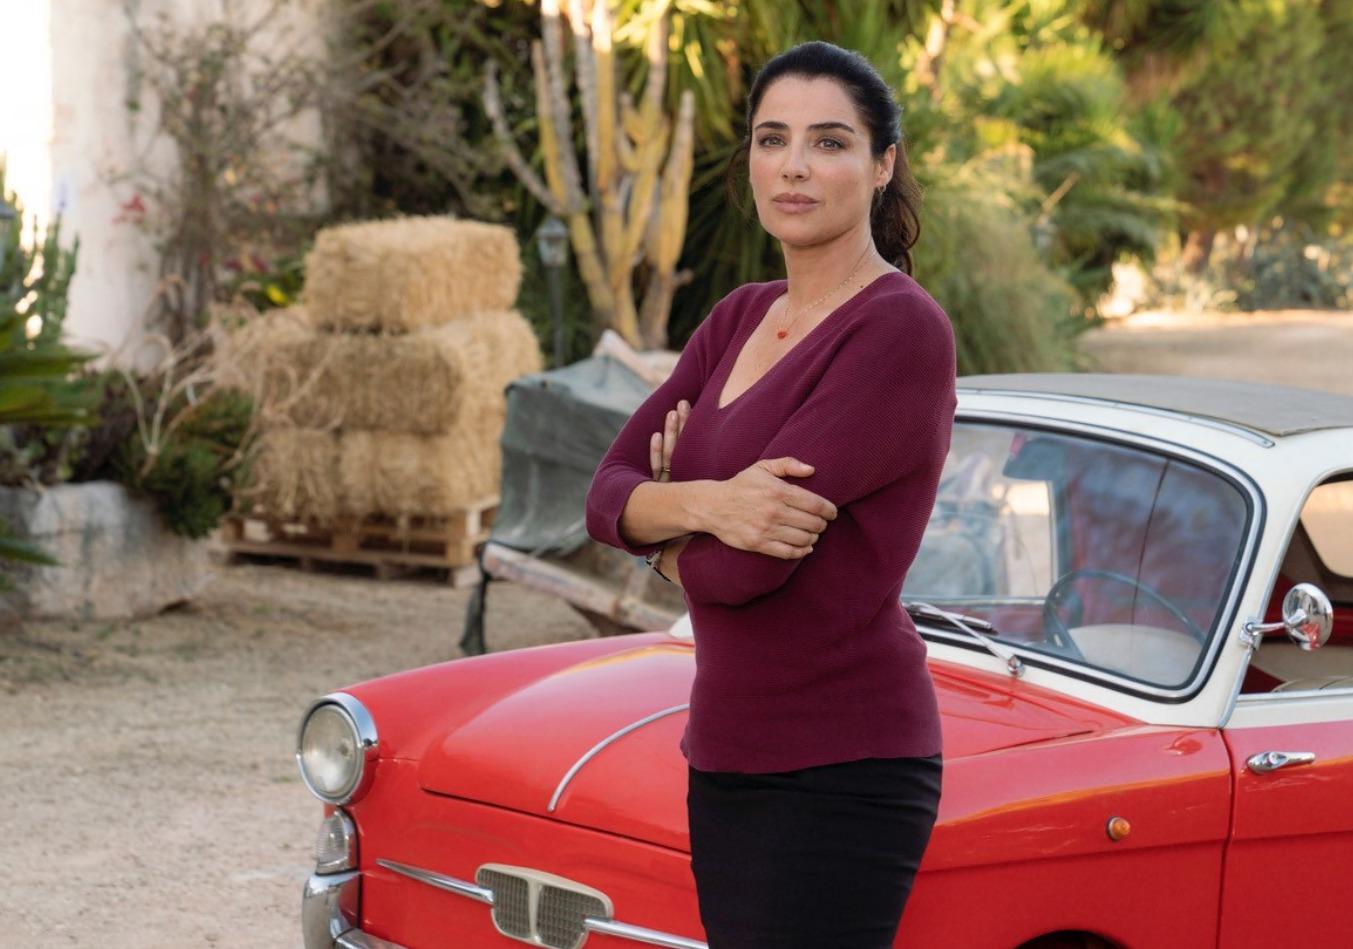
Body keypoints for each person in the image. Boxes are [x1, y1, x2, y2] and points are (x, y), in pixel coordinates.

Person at [584, 39, 956, 949]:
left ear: (881, 165)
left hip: (843, 764)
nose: (793, 166)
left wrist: (660, 517)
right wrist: (709, 506)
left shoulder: (898, 330)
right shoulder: (737, 316)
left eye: (828, 142)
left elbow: (741, 575)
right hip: (725, 750)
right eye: (771, 138)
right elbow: (602, 494)